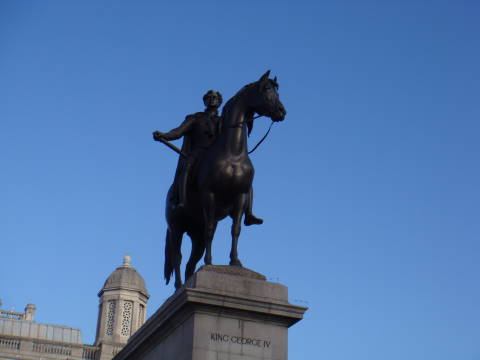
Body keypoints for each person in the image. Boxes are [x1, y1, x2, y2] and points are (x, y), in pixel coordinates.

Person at [153, 90, 262, 225]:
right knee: (187, 166)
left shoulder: (224, 121)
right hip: (198, 154)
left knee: (245, 176)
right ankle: (181, 200)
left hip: (218, 156)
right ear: (205, 101)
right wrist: (164, 135)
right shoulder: (194, 118)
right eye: (209, 98)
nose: (212, 100)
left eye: (215, 98)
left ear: (219, 102)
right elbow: (178, 132)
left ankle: (248, 212)